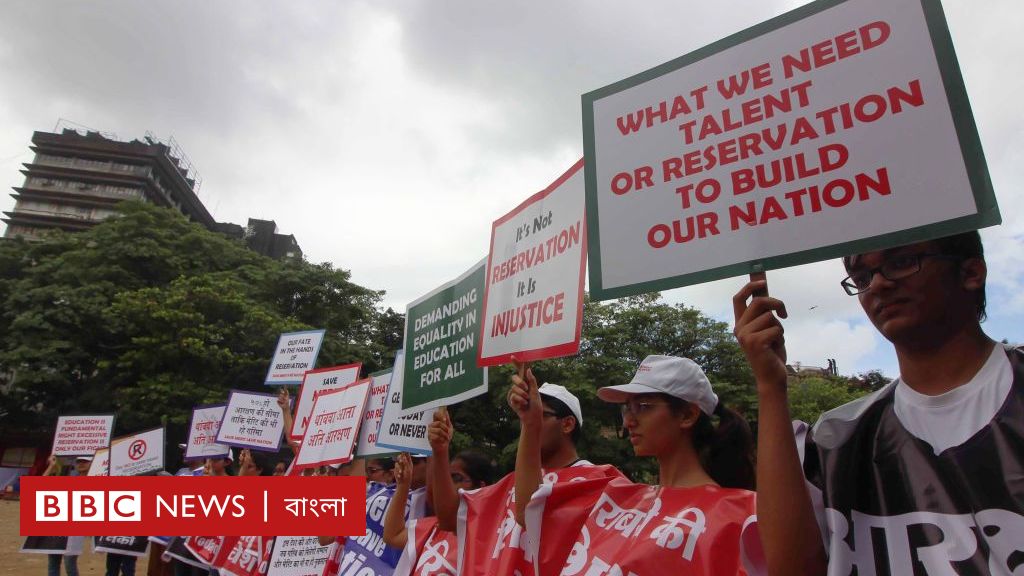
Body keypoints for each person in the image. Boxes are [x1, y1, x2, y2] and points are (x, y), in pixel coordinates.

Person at [733, 231, 1023, 574]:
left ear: (971, 272)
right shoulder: (832, 441)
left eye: (902, 262)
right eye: (861, 278)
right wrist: (770, 386)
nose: (879, 284)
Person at [514, 355, 763, 575]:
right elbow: (530, 514)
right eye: (627, 409)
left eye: (643, 407)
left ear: (687, 415)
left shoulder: (737, 517)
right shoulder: (618, 497)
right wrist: (531, 424)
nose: (629, 422)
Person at [41, 454, 88, 576]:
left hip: (75, 530)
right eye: (78, 462)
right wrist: (51, 466)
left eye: (84, 461)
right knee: (53, 563)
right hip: (58, 526)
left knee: (69, 563)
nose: (81, 464)